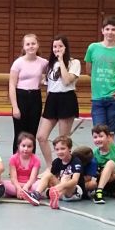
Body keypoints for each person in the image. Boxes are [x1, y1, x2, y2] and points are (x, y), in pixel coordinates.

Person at [36, 35, 80, 167]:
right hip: (52, 99)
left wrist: (61, 60)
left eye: (60, 46)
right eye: (55, 46)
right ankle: (51, 166)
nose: (57, 49)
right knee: (41, 136)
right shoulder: (50, 64)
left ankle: (64, 166)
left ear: (66, 47)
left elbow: (66, 81)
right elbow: (48, 84)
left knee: (63, 140)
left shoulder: (74, 63)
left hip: (66, 99)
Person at [85, 15, 115, 135]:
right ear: (102, 30)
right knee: (99, 132)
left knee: (111, 133)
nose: (110, 32)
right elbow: (88, 70)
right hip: (98, 98)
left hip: (114, 97)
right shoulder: (93, 48)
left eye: (113, 29)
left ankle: (111, 148)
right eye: (107, 29)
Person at [8, 33, 48, 154]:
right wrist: (15, 107)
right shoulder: (18, 63)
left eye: (33, 44)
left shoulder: (43, 62)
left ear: (38, 45)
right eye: (28, 44)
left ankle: (31, 162)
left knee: (32, 132)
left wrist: (43, 80)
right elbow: (12, 85)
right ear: (24, 47)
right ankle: (16, 161)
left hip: (35, 97)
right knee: (19, 133)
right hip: (21, 97)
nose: (31, 46)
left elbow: (52, 74)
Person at [24, 136, 84, 209]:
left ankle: (55, 194)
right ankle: (36, 194)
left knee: (65, 178)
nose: (60, 152)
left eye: (63, 149)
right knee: (48, 175)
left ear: (70, 148)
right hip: (61, 191)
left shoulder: (76, 161)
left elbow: (75, 181)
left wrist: (57, 187)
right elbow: (51, 179)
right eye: (57, 149)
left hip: (75, 191)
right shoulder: (56, 162)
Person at [2, 132, 41, 201]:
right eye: (23, 146)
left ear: (33, 147)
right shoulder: (13, 158)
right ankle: (26, 194)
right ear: (18, 146)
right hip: (16, 184)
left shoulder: (36, 160)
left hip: (30, 185)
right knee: (2, 183)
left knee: (40, 184)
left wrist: (25, 187)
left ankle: (22, 193)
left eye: (29, 146)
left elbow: (32, 178)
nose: (26, 149)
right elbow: (13, 178)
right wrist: (18, 188)